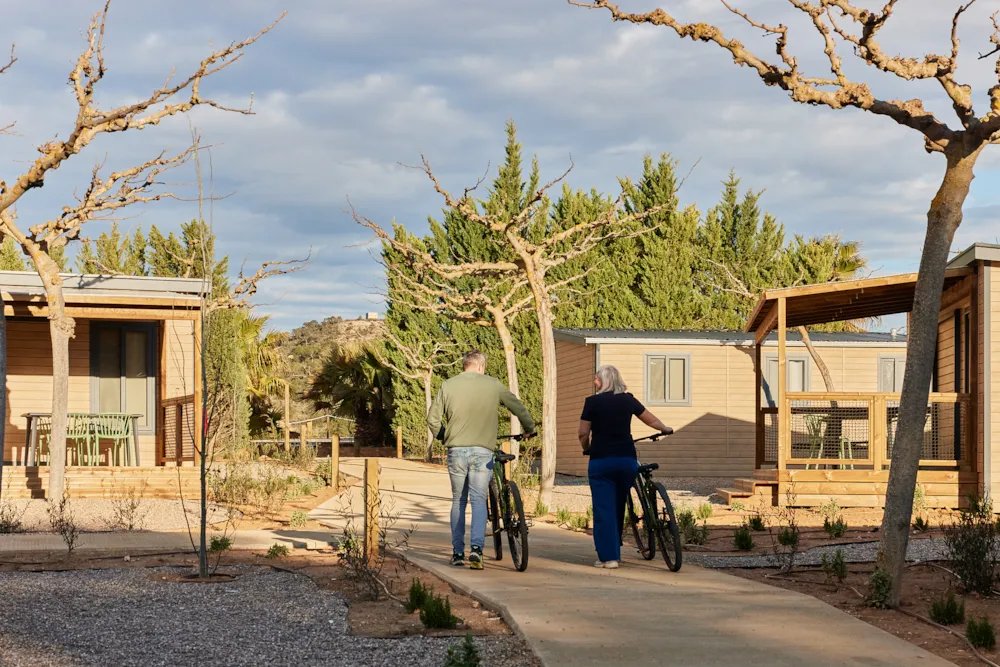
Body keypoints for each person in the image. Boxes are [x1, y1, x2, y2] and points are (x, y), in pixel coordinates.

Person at [428, 349, 535, 570]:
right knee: (478, 500)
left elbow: (432, 419)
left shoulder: (448, 385)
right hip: (482, 452)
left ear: (465, 365)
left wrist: (444, 435)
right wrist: (529, 428)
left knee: (458, 500)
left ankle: (458, 553)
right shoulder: (492, 384)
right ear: (480, 366)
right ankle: (476, 550)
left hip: (456, 451)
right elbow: (517, 406)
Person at [578, 364, 672, 569]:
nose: (594, 381)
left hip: (601, 462)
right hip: (626, 461)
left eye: (596, 378)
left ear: (605, 380)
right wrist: (665, 428)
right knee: (618, 503)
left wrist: (586, 448)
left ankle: (609, 558)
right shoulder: (628, 400)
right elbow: (651, 420)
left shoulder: (592, 402)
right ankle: (616, 548)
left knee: (604, 509)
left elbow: (583, 433)